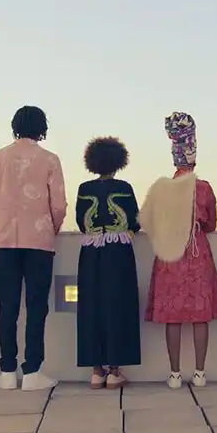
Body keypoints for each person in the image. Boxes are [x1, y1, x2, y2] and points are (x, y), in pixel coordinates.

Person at [0, 106, 67, 391]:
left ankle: (7, 371)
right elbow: (58, 204)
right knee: (37, 306)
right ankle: (32, 371)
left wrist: (3, 219)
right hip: (40, 241)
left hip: (5, 240)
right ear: (42, 127)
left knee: (8, 306)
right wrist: (51, 227)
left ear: (15, 126)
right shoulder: (50, 159)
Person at [142, 112, 217, 389]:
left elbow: (148, 221)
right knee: (200, 315)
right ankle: (200, 373)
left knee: (173, 316)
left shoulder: (161, 188)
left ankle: (175, 374)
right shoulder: (203, 188)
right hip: (196, 252)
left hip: (170, 253)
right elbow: (211, 224)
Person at [75, 137, 141, 390]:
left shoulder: (84, 189)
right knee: (118, 305)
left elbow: (81, 222)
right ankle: (114, 371)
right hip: (119, 251)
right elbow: (135, 220)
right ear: (118, 161)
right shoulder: (124, 187)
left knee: (91, 306)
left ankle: (96, 371)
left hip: (90, 252)